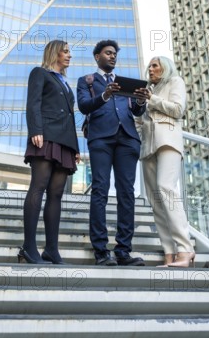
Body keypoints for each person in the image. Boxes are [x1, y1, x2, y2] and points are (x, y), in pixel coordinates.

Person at [77, 40, 146, 266]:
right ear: (97, 57)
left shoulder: (124, 83)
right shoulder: (86, 81)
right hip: (100, 139)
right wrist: (105, 95)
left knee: (126, 193)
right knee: (100, 190)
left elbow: (135, 111)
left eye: (115, 54)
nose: (113, 56)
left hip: (127, 138)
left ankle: (123, 251)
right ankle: (101, 251)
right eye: (108, 53)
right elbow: (84, 106)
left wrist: (140, 101)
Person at [19, 40, 80, 265]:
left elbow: (71, 118)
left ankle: (51, 250)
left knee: (56, 194)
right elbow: (32, 103)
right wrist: (35, 129)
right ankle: (29, 247)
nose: (69, 56)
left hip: (65, 142)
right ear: (54, 53)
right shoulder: (40, 73)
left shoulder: (66, 84)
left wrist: (75, 148)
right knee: (39, 185)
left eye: (69, 52)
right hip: (45, 136)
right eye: (65, 51)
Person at [135, 56, 195, 268]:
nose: (150, 69)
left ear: (164, 68)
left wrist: (152, 99)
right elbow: (140, 122)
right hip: (148, 147)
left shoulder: (174, 82)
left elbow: (178, 110)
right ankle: (169, 254)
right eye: (149, 66)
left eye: (155, 65)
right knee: (156, 202)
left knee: (166, 188)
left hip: (168, 142)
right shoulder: (147, 92)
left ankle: (185, 248)